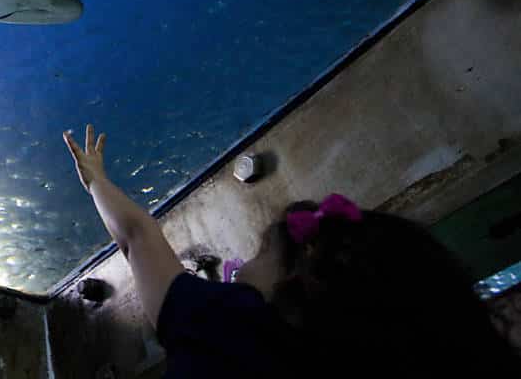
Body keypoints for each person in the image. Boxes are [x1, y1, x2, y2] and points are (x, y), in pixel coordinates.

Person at [63, 124, 519, 376]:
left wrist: (97, 181)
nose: (237, 272)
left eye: (259, 256)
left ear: (296, 291)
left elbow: (138, 236)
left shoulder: (236, 326)